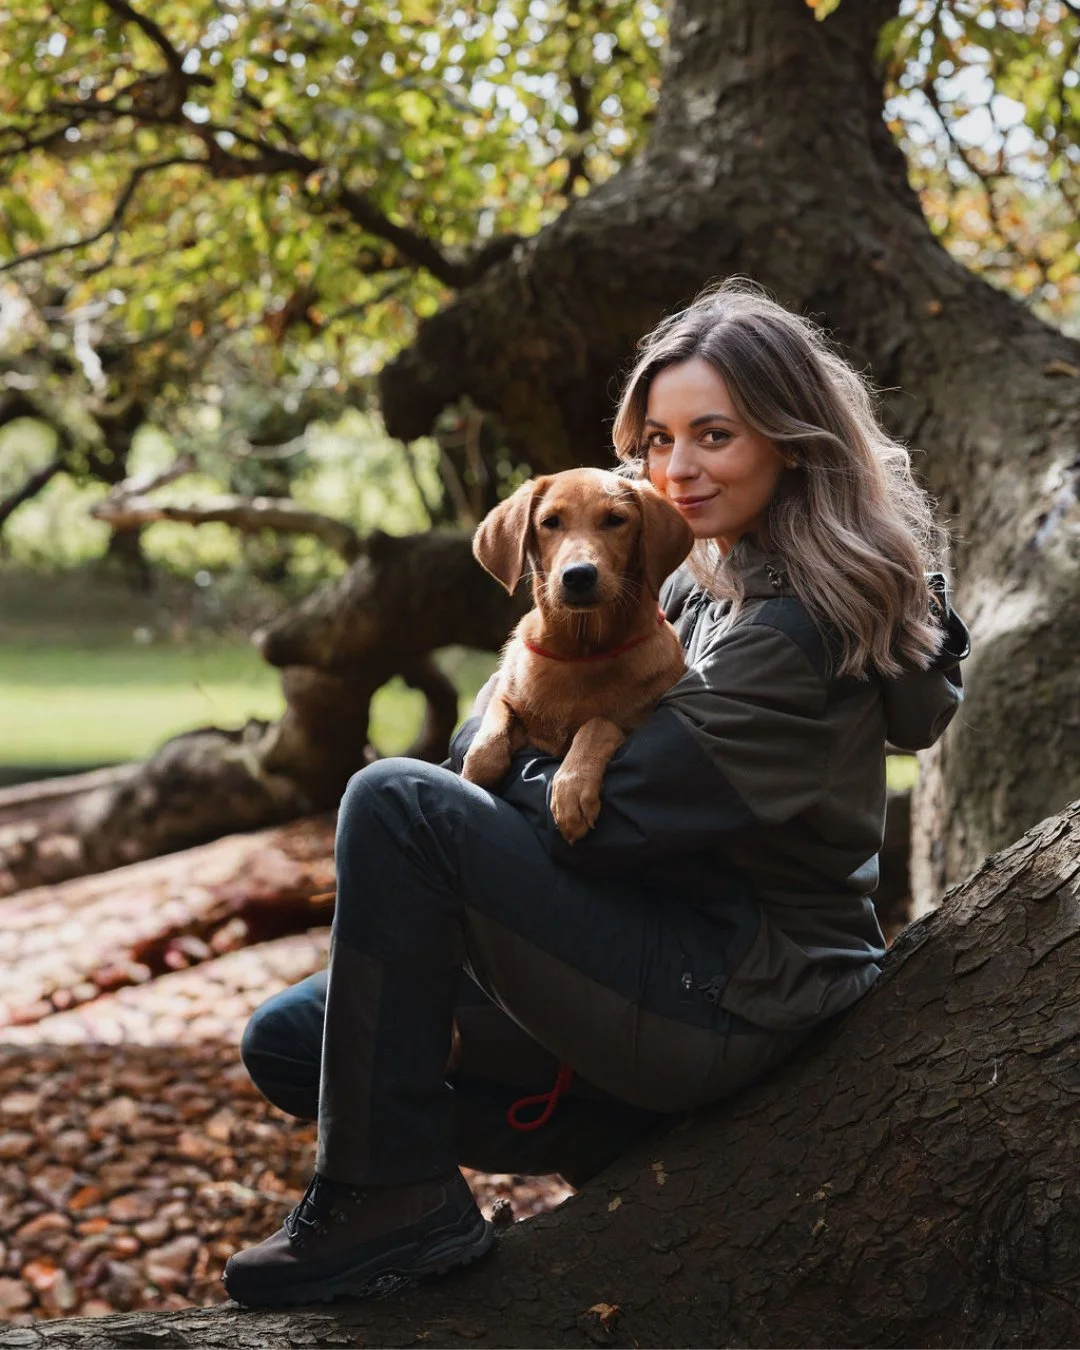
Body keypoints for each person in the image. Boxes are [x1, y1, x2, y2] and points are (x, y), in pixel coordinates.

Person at [223, 279, 970, 1308]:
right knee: (298, 1040)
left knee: (399, 803)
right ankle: (617, 1143)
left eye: (715, 434)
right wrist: (516, 709)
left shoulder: (800, 628)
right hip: (650, 941)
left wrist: (506, 737)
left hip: (740, 987)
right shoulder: (692, 569)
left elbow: (599, 824)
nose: (677, 467)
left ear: (791, 441)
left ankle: (390, 1202)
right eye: (658, 439)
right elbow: (536, 689)